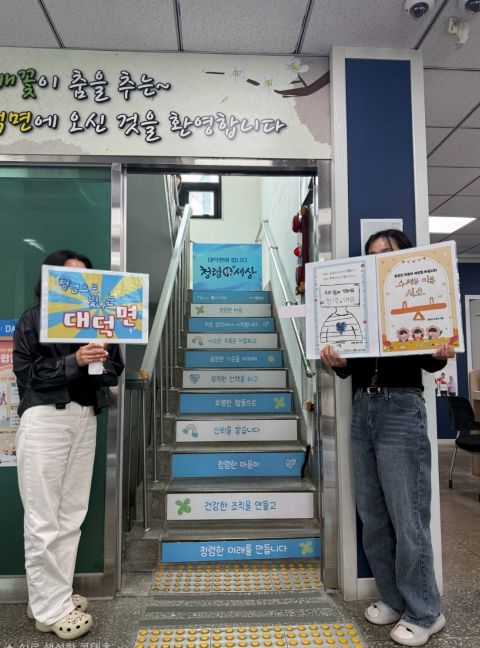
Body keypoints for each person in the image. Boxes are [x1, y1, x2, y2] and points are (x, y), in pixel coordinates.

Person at [320, 229, 455, 647]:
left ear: (405, 255)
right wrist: (337, 362)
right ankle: (395, 600)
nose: (378, 258)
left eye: (386, 252)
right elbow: (350, 368)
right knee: (373, 514)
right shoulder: (359, 300)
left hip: (401, 407)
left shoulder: (419, 291)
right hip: (364, 406)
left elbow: (430, 361)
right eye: (372, 254)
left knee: (407, 515)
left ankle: (426, 612)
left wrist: (440, 351)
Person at [13, 250, 124, 641]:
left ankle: (53, 596)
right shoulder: (33, 319)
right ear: (50, 280)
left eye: (86, 278)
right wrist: (74, 360)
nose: (79, 284)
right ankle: (50, 608)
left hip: (84, 417)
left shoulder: (101, 321)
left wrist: (100, 358)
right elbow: (26, 373)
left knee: (71, 514)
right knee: (43, 516)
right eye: (69, 277)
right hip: (45, 417)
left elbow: (113, 372)